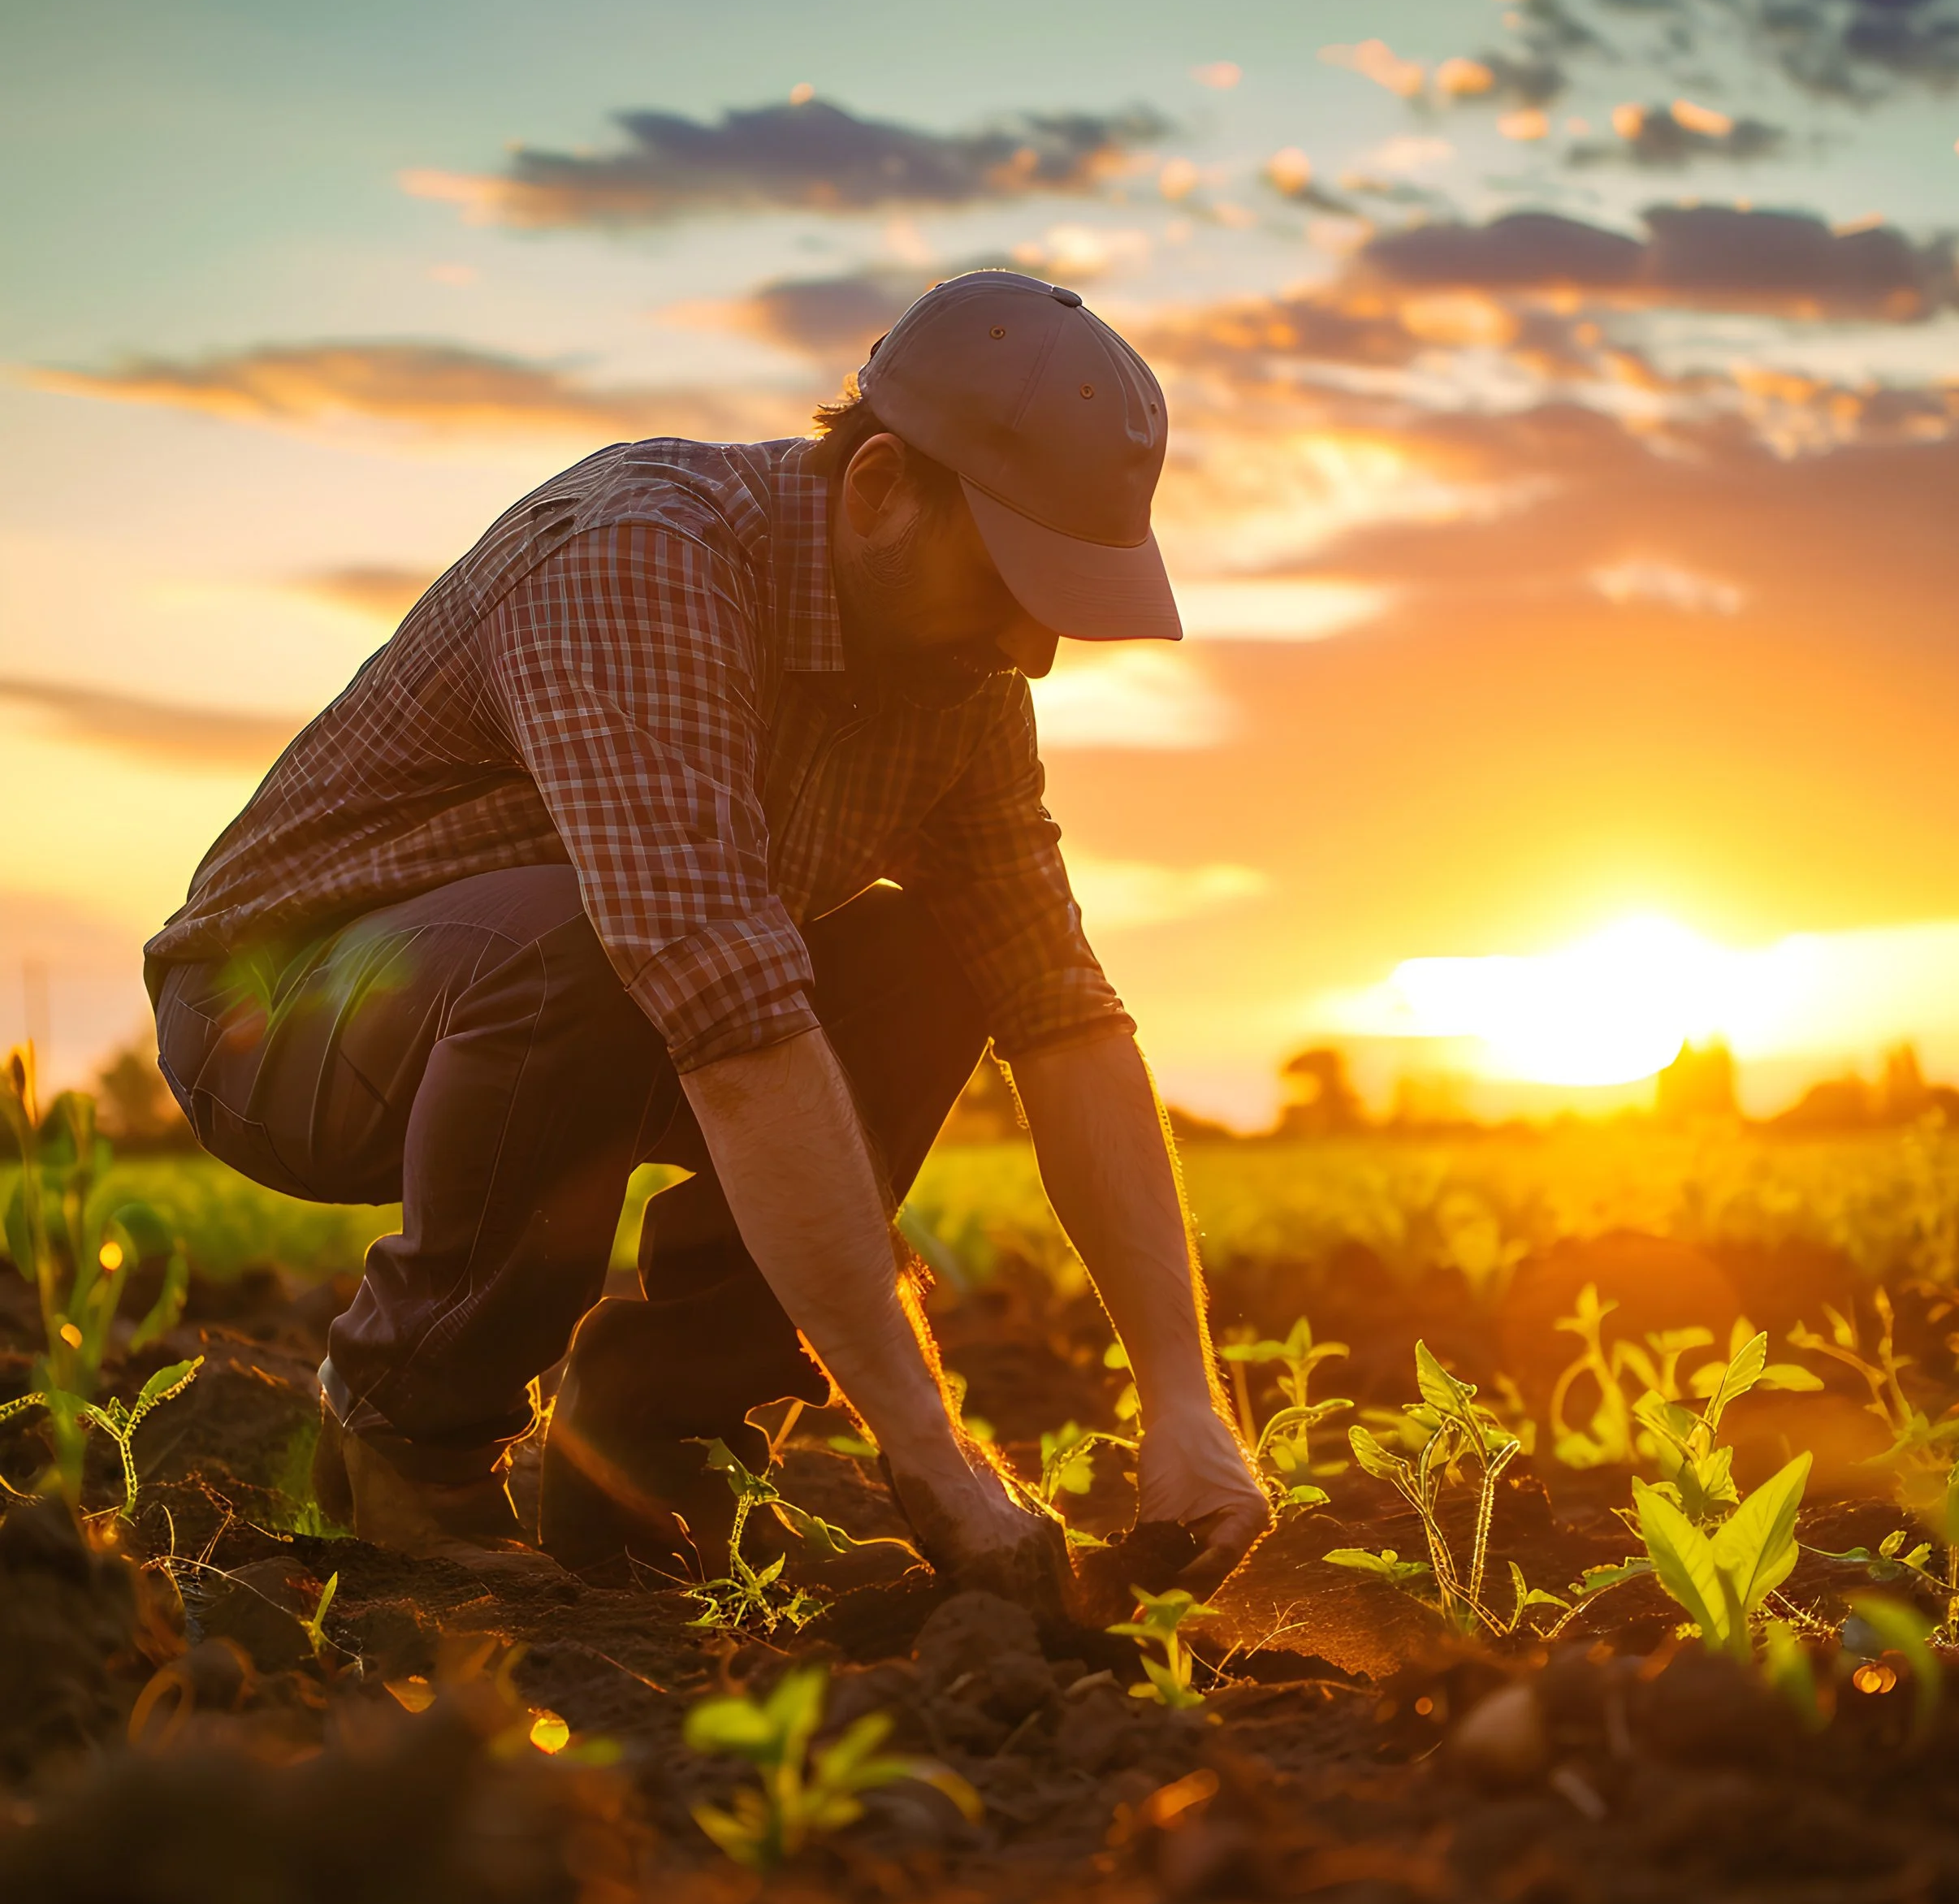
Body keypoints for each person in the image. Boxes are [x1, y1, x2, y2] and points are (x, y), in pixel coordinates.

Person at [145, 270, 1269, 1608]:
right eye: (1015, 579)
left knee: (934, 963)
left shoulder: (957, 682)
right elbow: (725, 1014)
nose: (1035, 650)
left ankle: (658, 1435)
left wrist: (1189, 1404)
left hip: (582, 998)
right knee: (600, 941)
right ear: (878, 489)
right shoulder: (645, 562)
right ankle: (410, 1434)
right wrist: (928, 1452)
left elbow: (1063, 1014)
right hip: (281, 1019)